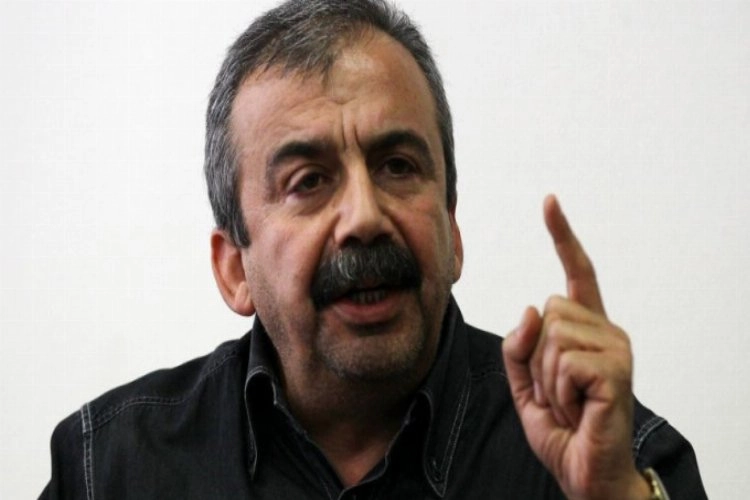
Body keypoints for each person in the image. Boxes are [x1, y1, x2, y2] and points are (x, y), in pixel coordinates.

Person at [41, 0, 706, 498]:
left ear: (452, 230)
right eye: (308, 181)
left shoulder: (610, 456)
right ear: (234, 268)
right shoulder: (110, 469)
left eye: (397, 167)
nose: (364, 217)